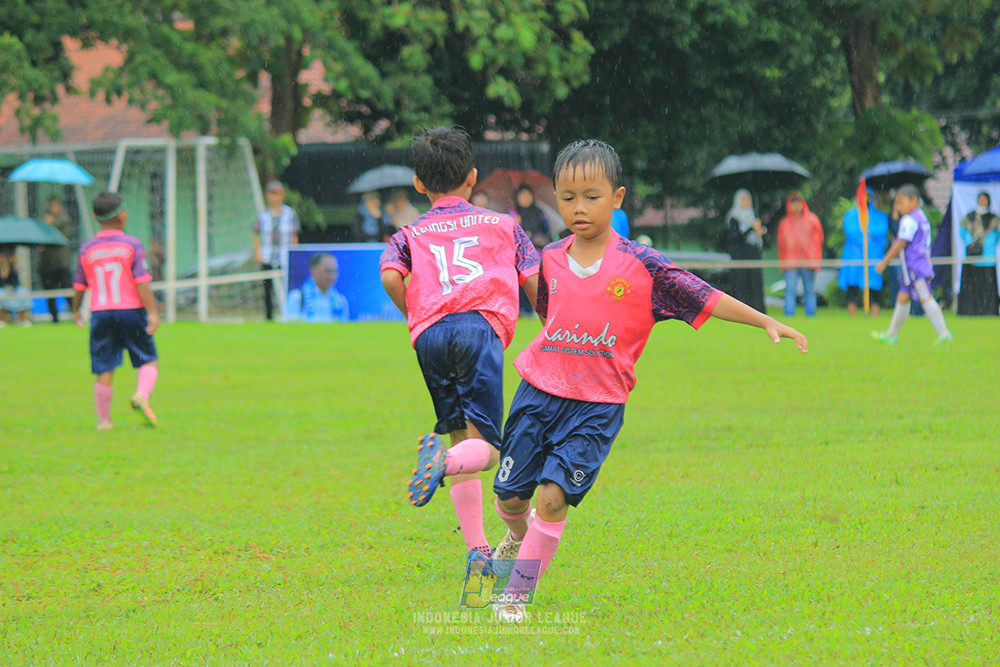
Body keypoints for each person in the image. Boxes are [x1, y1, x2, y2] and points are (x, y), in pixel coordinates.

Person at [464, 139, 807, 624]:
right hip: (538, 393)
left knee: (553, 497)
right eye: (567, 197)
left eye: (591, 196)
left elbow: (703, 295)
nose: (578, 208)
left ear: (618, 197)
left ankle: (516, 593)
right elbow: (548, 314)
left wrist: (765, 321)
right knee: (511, 498)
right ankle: (517, 534)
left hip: (597, 405)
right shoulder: (552, 258)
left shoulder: (644, 266)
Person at [379, 126, 540, 569]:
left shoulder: (408, 232)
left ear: (418, 184)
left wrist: (416, 312)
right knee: (486, 450)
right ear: (472, 177)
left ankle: (478, 551)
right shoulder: (505, 226)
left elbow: (391, 274)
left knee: (459, 431)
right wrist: (554, 330)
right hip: (478, 328)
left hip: (430, 335)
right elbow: (534, 282)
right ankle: (445, 462)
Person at [71, 192, 160, 430]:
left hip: (100, 313)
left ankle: (104, 421)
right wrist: (152, 311)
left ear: (95, 216)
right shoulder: (131, 245)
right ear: (122, 216)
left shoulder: (86, 249)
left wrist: (76, 310)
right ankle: (141, 395)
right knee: (148, 360)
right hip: (130, 310)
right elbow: (141, 281)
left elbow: (80, 286)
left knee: (105, 366)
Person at [873, 184, 952, 345]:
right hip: (913, 265)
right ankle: (891, 335)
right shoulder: (920, 215)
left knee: (925, 297)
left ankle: (944, 334)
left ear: (914, 200)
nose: (898, 207)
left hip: (915, 265)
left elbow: (900, 243)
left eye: (901, 203)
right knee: (903, 297)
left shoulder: (909, 219)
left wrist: (884, 262)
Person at [838, 188, 889, 317]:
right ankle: (853, 315)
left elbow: (882, 231)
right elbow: (850, 231)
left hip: (873, 255)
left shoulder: (879, 216)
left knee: (873, 286)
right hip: (854, 255)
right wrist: (864, 236)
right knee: (852, 285)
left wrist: (869, 230)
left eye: (867, 196)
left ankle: (874, 315)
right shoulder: (851, 215)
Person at [253, 181, 300, 321]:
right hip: (267, 256)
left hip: (284, 257)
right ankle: (269, 317)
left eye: (278, 194)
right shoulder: (263, 216)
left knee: (287, 288)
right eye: (272, 194)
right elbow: (255, 233)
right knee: (267, 290)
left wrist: (294, 253)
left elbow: (294, 235)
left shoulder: (290, 214)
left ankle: (288, 315)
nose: (275, 197)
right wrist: (258, 253)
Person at [777, 192, 824, 316]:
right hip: (790, 261)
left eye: (798, 204)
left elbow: (819, 239)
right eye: (793, 204)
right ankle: (789, 315)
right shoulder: (785, 223)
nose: (796, 207)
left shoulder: (812, 220)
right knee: (790, 291)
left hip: (808, 261)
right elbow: (781, 243)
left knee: (809, 290)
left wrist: (814, 258)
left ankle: (811, 315)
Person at [723, 188, 767, 312]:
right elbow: (734, 238)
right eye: (743, 199)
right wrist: (751, 229)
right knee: (741, 284)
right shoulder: (733, 218)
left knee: (755, 283)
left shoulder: (754, 216)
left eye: (748, 199)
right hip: (740, 256)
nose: (746, 202)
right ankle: (741, 311)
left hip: (753, 255)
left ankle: (757, 310)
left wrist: (760, 231)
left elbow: (761, 240)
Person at [956, 191, 1000, 316]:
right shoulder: (970, 216)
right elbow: (962, 231)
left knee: (987, 286)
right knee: (971, 286)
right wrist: (970, 241)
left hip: (987, 258)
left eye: (984, 199)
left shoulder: (994, 218)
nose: (982, 201)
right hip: (972, 257)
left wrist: (988, 243)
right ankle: (970, 310)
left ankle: (988, 310)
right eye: (980, 199)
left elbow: (996, 235)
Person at [510, 186, 550, 315]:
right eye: (522, 196)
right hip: (517, 254)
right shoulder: (513, 214)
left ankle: (534, 309)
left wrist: (536, 238)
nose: (525, 199)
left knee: (535, 282)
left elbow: (546, 232)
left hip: (535, 254)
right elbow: (510, 233)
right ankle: (520, 309)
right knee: (520, 282)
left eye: (527, 196)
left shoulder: (539, 213)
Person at [38, 196, 75, 323]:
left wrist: (50, 225)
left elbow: (62, 238)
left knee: (67, 290)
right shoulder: (43, 221)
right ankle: (54, 318)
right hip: (47, 265)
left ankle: (76, 314)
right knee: (50, 293)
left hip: (61, 263)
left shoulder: (64, 220)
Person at [285, 252, 350, 322]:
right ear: (313, 271)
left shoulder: (341, 301)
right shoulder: (297, 298)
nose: (332, 276)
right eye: (328, 271)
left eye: (335, 271)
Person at [0, 245, 33, 327]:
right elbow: (2, 282)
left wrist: (14, 267)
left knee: (23, 292)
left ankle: (22, 319)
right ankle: (2, 319)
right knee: (1, 294)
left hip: (12, 288)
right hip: (2, 289)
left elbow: (16, 283)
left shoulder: (12, 267)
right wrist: (4, 270)